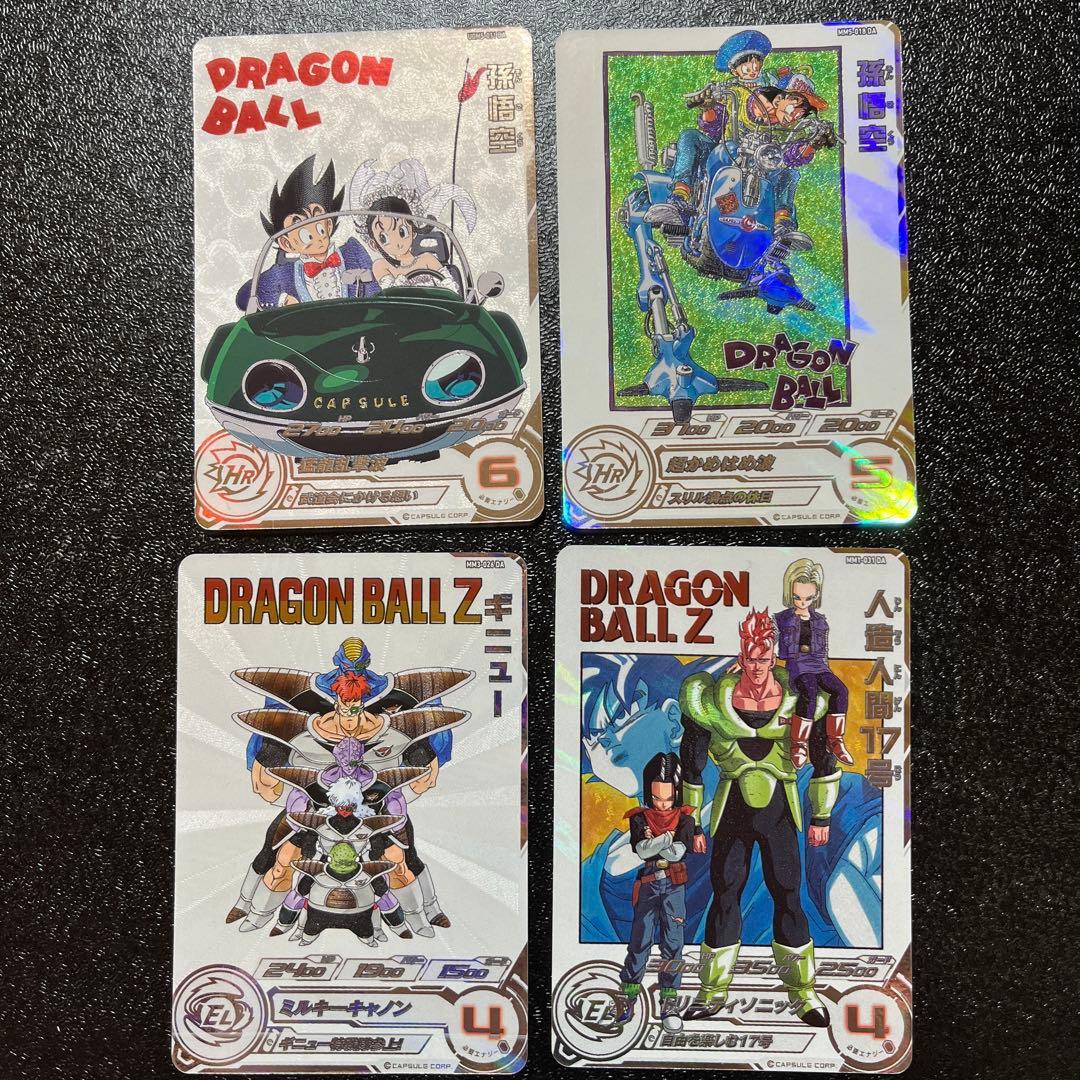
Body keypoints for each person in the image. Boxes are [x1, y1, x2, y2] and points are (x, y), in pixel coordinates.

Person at [679, 610, 838, 1028]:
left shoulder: (803, 698)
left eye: (764, 658)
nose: (757, 666)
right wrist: (693, 823)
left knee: (788, 895)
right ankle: (711, 991)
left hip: (780, 810)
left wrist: (821, 815)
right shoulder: (707, 700)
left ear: (773, 658)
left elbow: (824, 758)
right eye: (750, 658)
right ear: (742, 657)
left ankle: (802, 993)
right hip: (731, 810)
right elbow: (691, 764)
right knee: (725, 894)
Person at [615, 752, 698, 1034]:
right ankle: (628, 997)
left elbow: (677, 853)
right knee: (639, 942)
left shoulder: (686, 819)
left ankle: (669, 1002)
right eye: (656, 798)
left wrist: (658, 841)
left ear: (677, 793)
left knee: (673, 944)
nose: (662, 804)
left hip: (674, 886)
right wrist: (666, 839)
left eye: (668, 798)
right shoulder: (640, 817)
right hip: (649, 884)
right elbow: (642, 850)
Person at [235, 155, 377, 309]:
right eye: (305, 235)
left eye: (320, 228)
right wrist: (282, 299)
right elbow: (244, 296)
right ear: (286, 243)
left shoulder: (353, 253)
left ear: (328, 225)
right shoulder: (284, 274)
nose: (317, 238)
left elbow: (376, 294)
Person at [776, 558, 853, 769]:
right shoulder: (781, 618)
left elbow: (824, 650)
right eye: (797, 597)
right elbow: (766, 640)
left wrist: (827, 671)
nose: (802, 602)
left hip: (819, 665)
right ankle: (799, 744)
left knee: (841, 690)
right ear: (789, 593)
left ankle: (835, 740)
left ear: (816, 595)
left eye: (808, 598)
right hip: (797, 665)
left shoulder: (820, 620)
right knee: (809, 690)